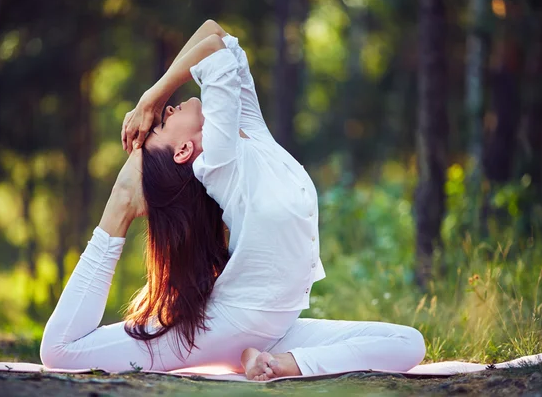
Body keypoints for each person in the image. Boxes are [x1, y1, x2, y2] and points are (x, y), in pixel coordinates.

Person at [40, 20, 426, 381]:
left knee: (408, 343)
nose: (166, 109)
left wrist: (152, 101)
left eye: (161, 113)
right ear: (184, 151)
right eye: (162, 123)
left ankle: (276, 365)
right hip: (227, 325)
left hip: (271, 328)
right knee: (61, 352)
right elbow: (211, 51)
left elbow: (214, 32)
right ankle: (120, 206)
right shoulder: (219, 158)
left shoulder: (248, 130)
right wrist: (151, 97)